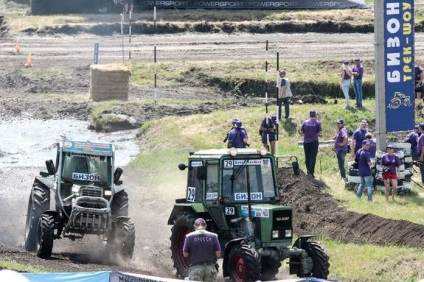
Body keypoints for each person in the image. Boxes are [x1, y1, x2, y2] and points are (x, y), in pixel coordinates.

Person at [183, 218, 221, 282]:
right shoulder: (214, 236)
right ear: (205, 226)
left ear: (195, 226)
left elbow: (185, 254)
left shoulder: (189, 237)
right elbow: (218, 254)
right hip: (210, 268)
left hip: (196, 269)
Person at [301, 110, 322, 178]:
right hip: (314, 141)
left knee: (307, 157)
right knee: (313, 157)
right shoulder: (317, 123)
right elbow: (320, 133)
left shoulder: (305, 122)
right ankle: (311, 172)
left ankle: (308, 171)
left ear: (309, 115)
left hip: (306, 142)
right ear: (315, 115)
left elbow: (302, 132)